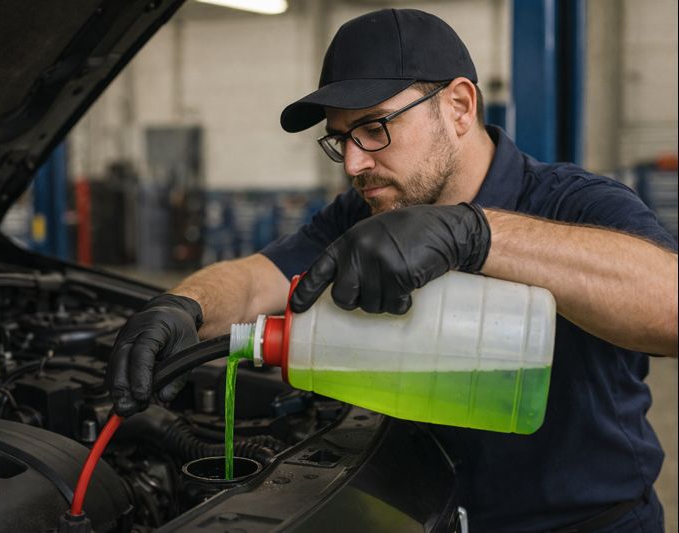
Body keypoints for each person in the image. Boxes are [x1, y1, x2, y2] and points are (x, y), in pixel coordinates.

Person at [106, 8, 678, 532]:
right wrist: (186, 306)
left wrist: (475, 233)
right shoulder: (369, 209)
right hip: (420, 512)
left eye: (375, 128)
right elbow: (261, 276)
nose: (354, 162)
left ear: (458, 107)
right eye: (340, 139)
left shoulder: (576, 205)